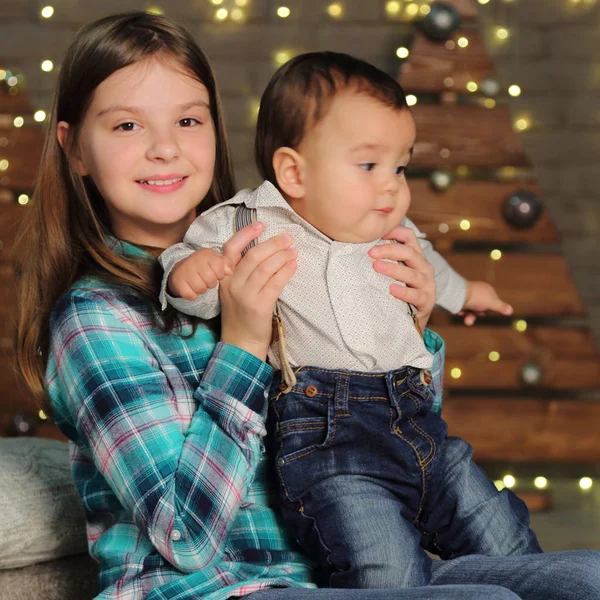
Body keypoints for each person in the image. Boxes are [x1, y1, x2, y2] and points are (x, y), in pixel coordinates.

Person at [14, 11, 600, 600]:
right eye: (126, 127)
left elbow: (385, 451)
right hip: (219, 588)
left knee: (585, 577)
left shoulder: (278, 240)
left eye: (188, 120)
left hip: (338, 572)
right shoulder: (94, 321)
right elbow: (185, 537)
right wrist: (242, 344)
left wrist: (410, 327)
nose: (165, 148)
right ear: (74, 149)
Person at [159, 52, 540, 589]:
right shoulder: (250, 222)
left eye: (400, 167)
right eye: (369, 166)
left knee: (503, 533)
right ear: (294, 172)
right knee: (385, 566)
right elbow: (192, 265)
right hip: (328, 436)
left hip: (418, 422)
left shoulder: (391, 227)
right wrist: (189, 275)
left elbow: (429, 266)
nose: (391, 186)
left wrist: (465, 293)